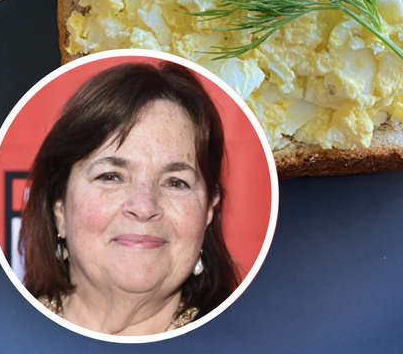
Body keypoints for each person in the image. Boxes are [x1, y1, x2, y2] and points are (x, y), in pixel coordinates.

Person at [20, 61, 240, 335]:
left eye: (175, 182)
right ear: (59, 206)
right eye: (111, 176)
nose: (144, 206)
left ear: (208, 211)